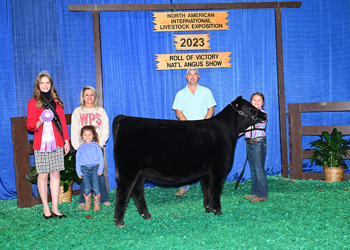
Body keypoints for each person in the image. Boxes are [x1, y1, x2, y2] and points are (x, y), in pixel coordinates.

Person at [26, 70, 70, 219]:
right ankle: (46, 206)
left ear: (51, 84)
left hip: (57, 142)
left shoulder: (57, 102)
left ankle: (56, 207)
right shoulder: (33, 102)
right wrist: (38, 121)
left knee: (56, 174)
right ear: (38, 86)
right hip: (42, 144)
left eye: (47, 82)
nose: (45, 85)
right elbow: (29, 126)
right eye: (42, 83)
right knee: (43, 175)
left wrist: (66, 140)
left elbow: (62, 123)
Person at [172, 66, 216, 197]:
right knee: (186, 159)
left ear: (198, 76)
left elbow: (211, 110)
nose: (192, 76)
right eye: (189, 74)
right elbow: (179, 113)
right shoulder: (180, 94)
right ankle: (183, 187)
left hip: (204, 130)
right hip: (187, 131)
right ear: (186, 77)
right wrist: (189, 128)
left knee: (207, 159)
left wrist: (203, 125)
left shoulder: (206, 92)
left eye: (194, 74)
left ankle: (209, 185)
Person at [71, 86, 110, 209]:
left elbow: (105, 130)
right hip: (83, 148)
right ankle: (83, 200)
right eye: (86, 95)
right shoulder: (78, 112)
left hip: (96, 147)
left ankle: (103, 198)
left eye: (91, 95)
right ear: (83, 97)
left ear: (95, 96)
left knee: (99, 174)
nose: (89, 97)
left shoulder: (101, 111)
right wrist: (78, 147)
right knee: (84, 174)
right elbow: (74, 130)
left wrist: (99, 144)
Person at [242, 92, 268, 203]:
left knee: (258, 169)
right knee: (253, 169)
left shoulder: (262, 114)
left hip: (258, 143)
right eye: (254, 100)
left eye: (259, 100)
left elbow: (249, 124)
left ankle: (262, 194)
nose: (257, 102)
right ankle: (255, 192)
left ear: (263, 103)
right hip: (249, 143)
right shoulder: (248, 114)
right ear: (250, 102)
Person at [76, 125, 104, 211]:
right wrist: (78, 171)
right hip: (84, 169)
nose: (87, 137)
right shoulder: (80, 148)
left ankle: (96, 204)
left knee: (96, 187)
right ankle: (87, 204)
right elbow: (78, 160)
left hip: (95, 169)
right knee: (86, 187)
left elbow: (100, 159)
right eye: (85, 135)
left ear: (93, 136)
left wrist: (100, 169)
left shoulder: (96, 146)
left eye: (89, 134)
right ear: (82, 136)